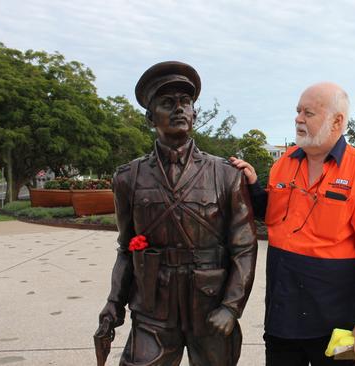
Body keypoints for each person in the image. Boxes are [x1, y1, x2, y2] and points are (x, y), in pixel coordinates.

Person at [97, 61, 258, 366]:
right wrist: (113, 304)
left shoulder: (224, 174)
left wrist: (231, 306)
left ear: (195, 113)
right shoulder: (128, 178)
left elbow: (244, 247)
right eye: (167, 103)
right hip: (153, 308)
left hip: (209, 306)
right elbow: (125, 248)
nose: (179, 109)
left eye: (186, 102)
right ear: (150, 116)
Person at [230, 82, 355, 365]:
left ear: (337, 121)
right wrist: (254, 188)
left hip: (336, 324)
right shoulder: (283, 163)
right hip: (282, 316)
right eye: (298, 111)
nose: (298, 118)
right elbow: (274, 214)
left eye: (308, 113)